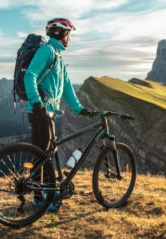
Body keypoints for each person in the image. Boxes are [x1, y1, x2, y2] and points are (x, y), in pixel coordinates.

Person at [24, 18, 96, 212]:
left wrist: (80, 109)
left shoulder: (58, 57)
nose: (69, 39)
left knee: (45, 152)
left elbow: (67, 89)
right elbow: (29, 75)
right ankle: (43, 198)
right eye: (69, 34)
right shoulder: (47, 51)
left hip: (48, 112)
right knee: (44, 154)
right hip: (40, 111)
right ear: (61, 34)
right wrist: (36, 102)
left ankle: (44, 194)